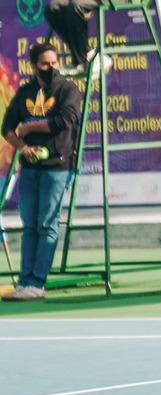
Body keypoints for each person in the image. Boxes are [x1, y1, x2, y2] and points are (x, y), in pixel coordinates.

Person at [1, 42, 83, 302]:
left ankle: (37, 283)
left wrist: (31, 127)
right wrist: (23, 147)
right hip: (30, 168)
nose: (51, 67)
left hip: (58, 166)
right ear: (34, 65)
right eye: (45, 63)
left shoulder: (67, 89)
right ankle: (24, 282)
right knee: (30, 227)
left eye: (54, 62)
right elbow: (7, 127)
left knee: (48, 225)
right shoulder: (26, 90)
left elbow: (65, 121)